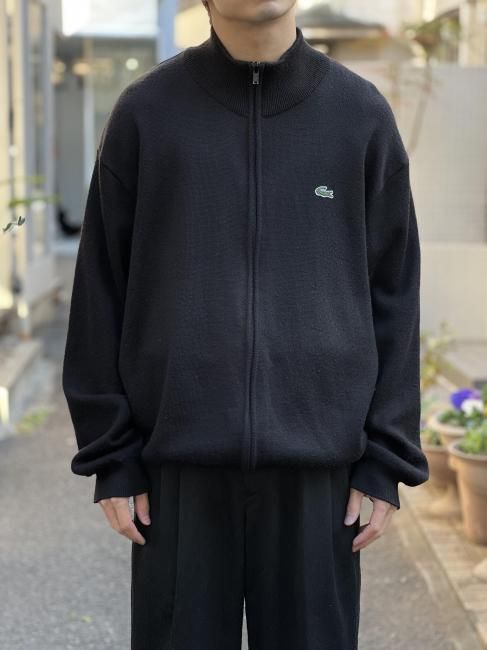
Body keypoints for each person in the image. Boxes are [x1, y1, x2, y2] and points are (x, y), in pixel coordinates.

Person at [62, 1, 429, 648]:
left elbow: (395, 295)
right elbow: (100, 291)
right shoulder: (147, 114)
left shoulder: (359, 116)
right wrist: (110, 456)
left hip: (321, 479)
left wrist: (385, 459)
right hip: (175, 475)